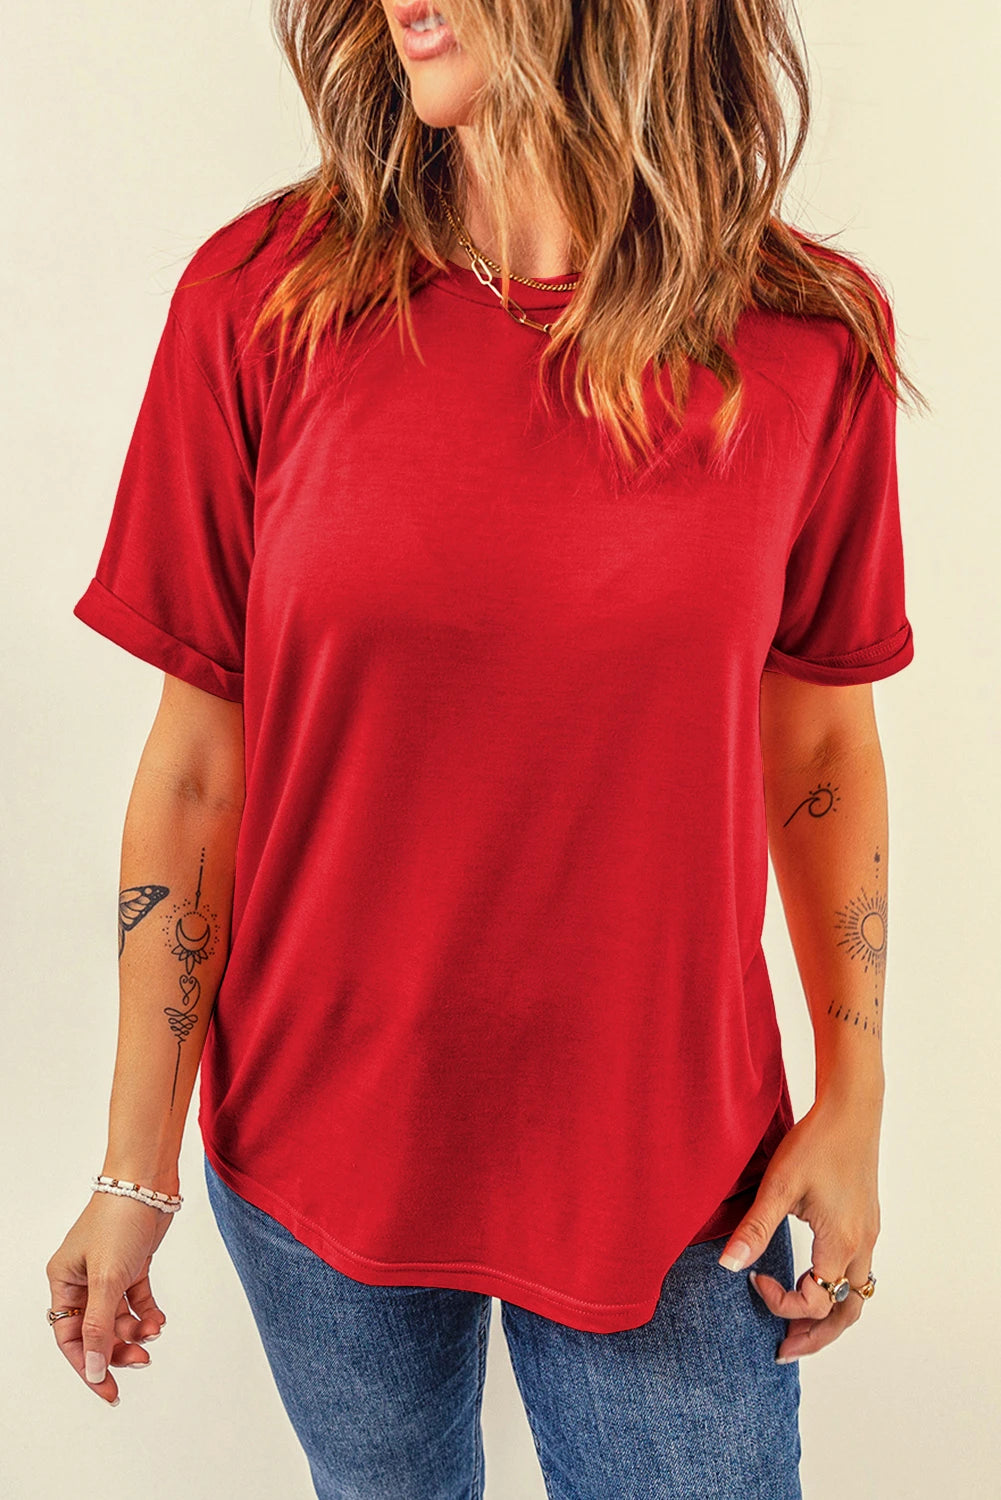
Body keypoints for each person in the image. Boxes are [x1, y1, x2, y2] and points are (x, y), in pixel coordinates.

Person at [46, 0, 920, 1494]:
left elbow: (822, 738)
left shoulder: (804, 336)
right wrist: (136, 1166)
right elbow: (198, 769)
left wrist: (856, 1099)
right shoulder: (263, 298)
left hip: (665, 1160)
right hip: (320, 1137)